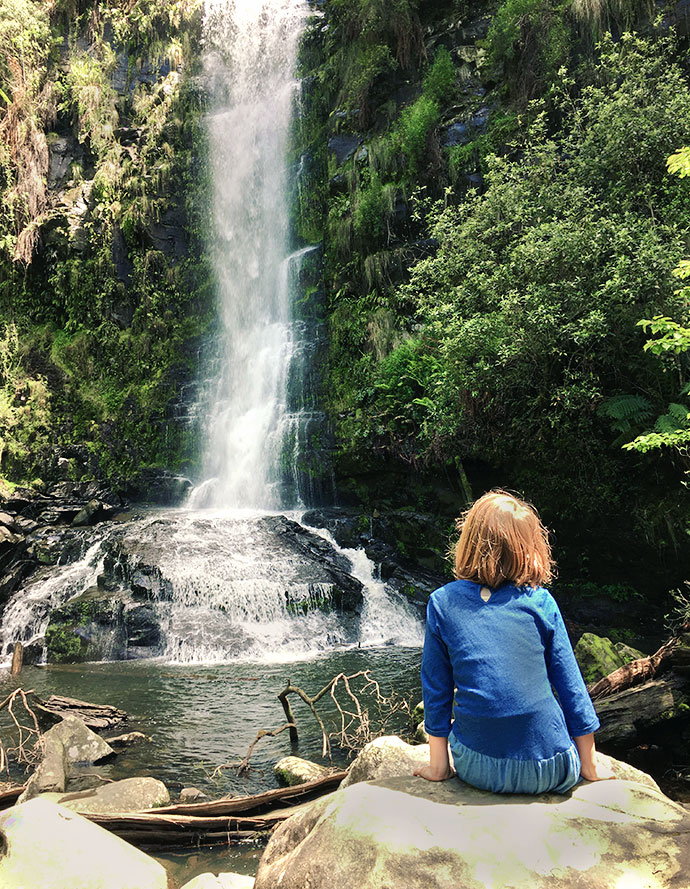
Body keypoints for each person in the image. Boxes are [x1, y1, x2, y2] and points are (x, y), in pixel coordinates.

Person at [413, 489, 607, 793]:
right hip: (549, 768)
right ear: (529, 547)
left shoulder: (442, 603)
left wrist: (439, 768)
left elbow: (436, 688)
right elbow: (571, 686)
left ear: (469, 543)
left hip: (477, 767)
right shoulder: (540, 602)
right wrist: (590, 767)